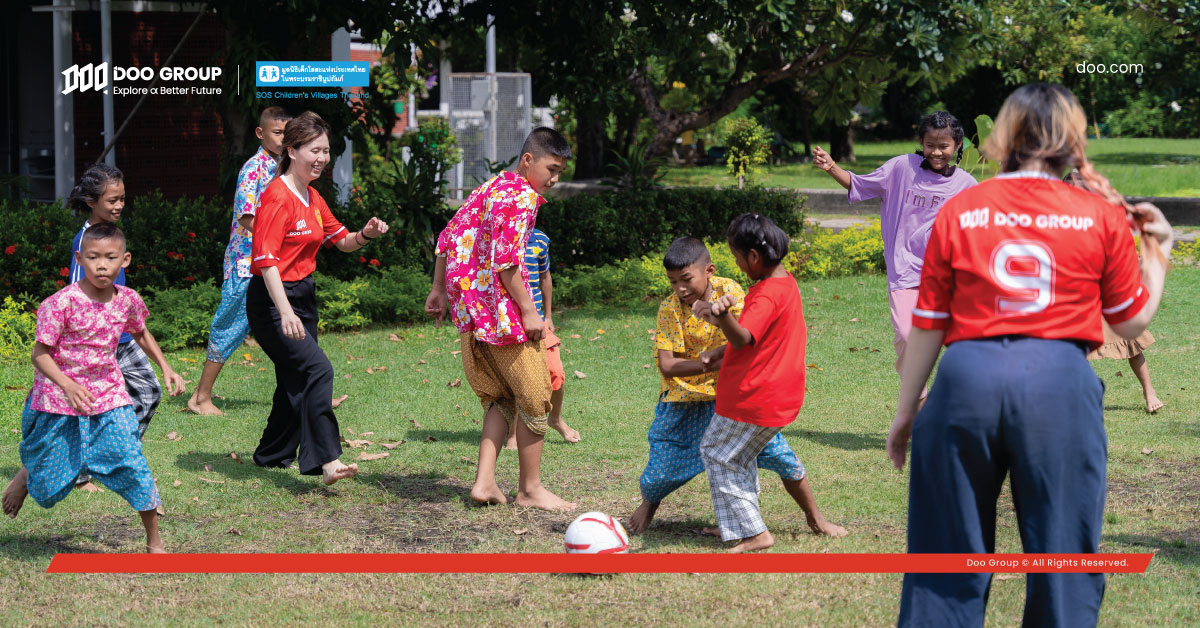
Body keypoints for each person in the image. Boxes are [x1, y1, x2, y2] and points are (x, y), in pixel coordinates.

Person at [885, 84, 1173, 627]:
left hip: (965, 382)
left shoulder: (961, 207)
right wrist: (1159, 253)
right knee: (1064, 563)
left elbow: (930, 321)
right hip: (1058, 384)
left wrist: (906, 411)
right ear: (1071, 139)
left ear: (1003, 135)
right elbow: (1130, 321)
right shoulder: (1097, 214)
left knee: (943, 565)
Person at [627, 237, 845, 538]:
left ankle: (815, 518)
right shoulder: (670, 308)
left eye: (686, 279)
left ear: (709, 270)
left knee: (779, 455)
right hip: (683, 401)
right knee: (664, 465)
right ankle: (650, 504)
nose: (680, 288)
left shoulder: (729, 292)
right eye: (673, 281)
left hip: (730, 400)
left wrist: (721, 349)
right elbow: (667, 365)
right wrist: (711, 363)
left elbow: (746, 336)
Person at [2, 224, 183, 552]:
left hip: (108, 394)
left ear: (125, 260)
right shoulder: (61, 303)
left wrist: (166, 367)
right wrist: (68, 385)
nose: (102, 265)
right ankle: (28, 476)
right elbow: (39, 355)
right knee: (50, 481)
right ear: (79, 258)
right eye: (93, 257)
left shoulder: (128, 300)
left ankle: (154, 543)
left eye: (110, 257)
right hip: (58, 397)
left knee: (131, 460)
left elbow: (140, 331)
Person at [424, 127, 576, 512]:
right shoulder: (523, 197)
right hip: (502, 316)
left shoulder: (492, 187)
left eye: (560, 172)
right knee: (536, 395)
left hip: (472, 315)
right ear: (528, 160)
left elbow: (447, 237)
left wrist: (438, 289)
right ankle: (530, 490)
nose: (554, 179)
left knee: (501, 395)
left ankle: (485, 483)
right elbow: (507, 262)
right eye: (551, 168)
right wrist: (530, 311)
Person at [247, 111, 389, 486]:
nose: (323, 158)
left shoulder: (312, 197)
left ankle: (271, 453)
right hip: (273, 300)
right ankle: (328, 460)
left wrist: (366, 234)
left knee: (294, 379)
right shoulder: (276, 197)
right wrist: (285, 312)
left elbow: (342, 241)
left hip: (302, 296)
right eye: (315, 150)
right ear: (292, 151)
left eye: (326, 151)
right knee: (317, 370)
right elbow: (266, 262)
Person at [813, 112, 977, 404]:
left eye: (943, 146)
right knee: (905, 333)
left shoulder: (967, 185)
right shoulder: (902, 168)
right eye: (930, 145)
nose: (936, 152)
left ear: (958, 145)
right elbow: (859, 183)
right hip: (905, 270)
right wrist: (831, 167)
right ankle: (919, 396)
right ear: (921, 142)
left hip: (947, 274)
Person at [692, 214, 826, 553]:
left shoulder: (766, 294)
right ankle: (737, 523)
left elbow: (742, 337)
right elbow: (759, 338)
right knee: (739, 457)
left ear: (753, 256)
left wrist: (722, 316)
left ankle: (756, 533)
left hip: (754, 397)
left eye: (738, 257)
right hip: (777, 394)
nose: (737, 264)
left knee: (716, 453)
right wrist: (719, 348)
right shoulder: (785, 283)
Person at [66, 163, 183, 495]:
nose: (119, 206)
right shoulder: (85, 243)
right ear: (91, 201)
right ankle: (82, 474)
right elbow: (74, 297)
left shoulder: (111, 237)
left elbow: (131, 315)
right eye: (112, 200)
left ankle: (113, 458)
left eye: (122, 199)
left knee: (148, 392)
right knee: (88, 408)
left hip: (121, 337)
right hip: (92, 345)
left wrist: (166, 366)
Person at [188, 107, 295, 416]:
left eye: (287, 134)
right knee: (230, 324)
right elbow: (246, 217)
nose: (283, 139)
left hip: (273, 263)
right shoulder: (253, 169)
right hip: (246, 263)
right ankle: (200, 398)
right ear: (260, 133)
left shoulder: (285, 169)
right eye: (277, 133)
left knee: (289, 327)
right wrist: (278, 234)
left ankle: (307, 395)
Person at [504, 226, 579, 449]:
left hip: (537, 323)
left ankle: (555, 419)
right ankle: (512, 433)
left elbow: (545, 277)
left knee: (555, 371)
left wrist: (548, 315)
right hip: (508, 322)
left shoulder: (539, 239)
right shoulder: (499, 238)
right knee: (517, 379)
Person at [1090, 313, 1164, 414]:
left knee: (1131, 342)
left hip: (1110, 307)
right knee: (1074, 350)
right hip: (1084, 307)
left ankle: (1149, 393)